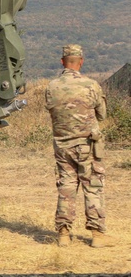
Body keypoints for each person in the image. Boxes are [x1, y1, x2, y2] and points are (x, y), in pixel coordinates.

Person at [45, 44, 110, 248]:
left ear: (63, 62)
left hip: (62, 145)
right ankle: (97, 235)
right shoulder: (91, 85)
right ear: (81, 62)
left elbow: (53, 111)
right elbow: (103, 115)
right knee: (92, 187)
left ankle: (64, 234)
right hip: (87, 145)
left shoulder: (51, 87)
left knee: (66, 186)